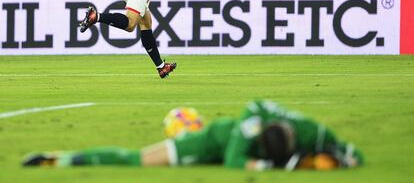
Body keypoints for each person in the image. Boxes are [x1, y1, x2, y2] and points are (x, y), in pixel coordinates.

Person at [22, 100, 363, 170]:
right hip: (213, 140)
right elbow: (233, 162)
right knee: (138, 160)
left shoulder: (314, 132)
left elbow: (351, 153)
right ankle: (60, 158)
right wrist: (274, 168)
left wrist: (347, 160)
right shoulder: (247, 130)